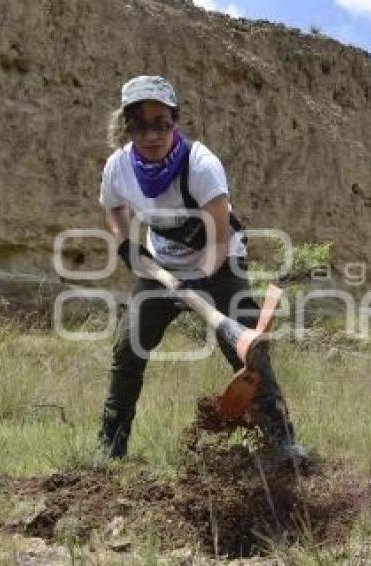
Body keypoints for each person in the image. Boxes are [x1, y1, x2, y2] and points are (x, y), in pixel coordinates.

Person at [96, 75, 306, 461]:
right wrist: (126, 243)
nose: (152, 134)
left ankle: (282, 444)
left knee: (247, 354)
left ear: (174, 121)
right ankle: (110, 447)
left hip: (219, 258)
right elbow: (112, 206)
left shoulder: (201, 165)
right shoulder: (118, 167)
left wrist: (191, 286)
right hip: (160, 267)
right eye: (139, 124)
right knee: (129, 348)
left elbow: (219, 239)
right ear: (125, 126)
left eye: (161, 122)